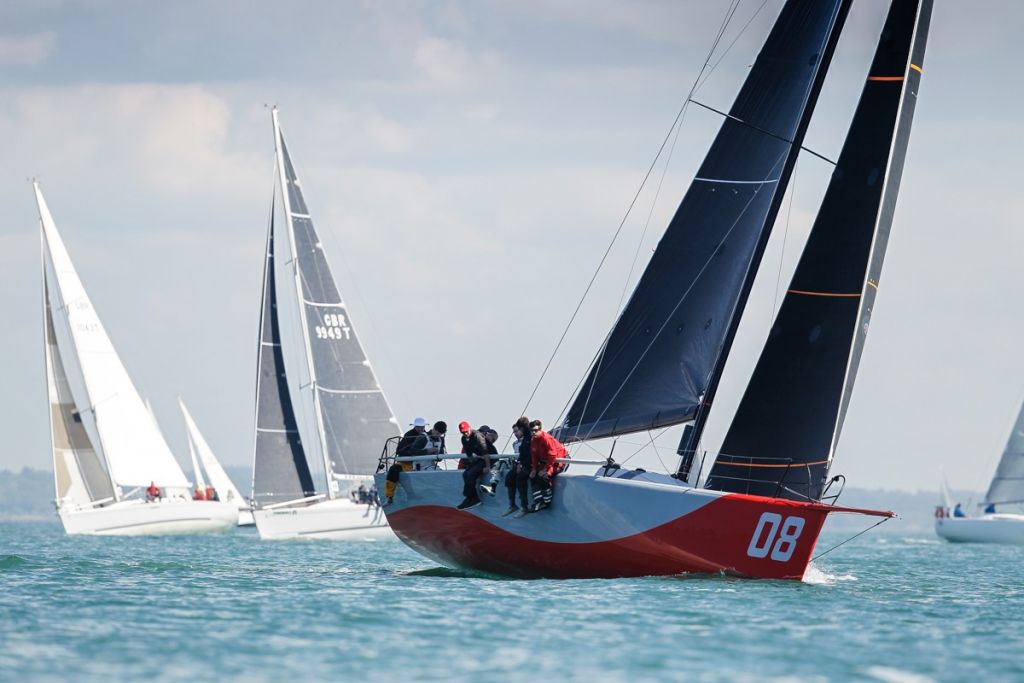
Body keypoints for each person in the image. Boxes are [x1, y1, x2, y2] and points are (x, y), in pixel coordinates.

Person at [384, 417, 440, 506]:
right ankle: (389, 497)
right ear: (415, 426)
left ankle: (425, 496)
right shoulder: (409, 435)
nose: (420, 429)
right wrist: (413, 453)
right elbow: (399, 451)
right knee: (393, 469)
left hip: (422, 464)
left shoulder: (427, 436)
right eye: (418, 427)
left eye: (422, 427)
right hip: (408, 463)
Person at [529, 420, 567, 512]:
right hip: (545, 461)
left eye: (535, 430)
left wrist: (546, 470)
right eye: (532, 431)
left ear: (540, 429)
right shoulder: (533, 440)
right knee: (533, 477)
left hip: (558, 460)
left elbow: (552, 456)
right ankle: (538, 501)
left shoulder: (546, 439)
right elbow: (534, 456)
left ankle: (546, 502)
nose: (533, 433)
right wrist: (534, 469)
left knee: (544, 476)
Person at [457, 421, 491, 510]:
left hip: (486, 458)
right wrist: (472, 464)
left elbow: (485, 452)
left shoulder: (477, 436)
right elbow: (469, 454)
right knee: (465, 474)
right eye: (463, 432)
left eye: (466, 431)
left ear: (469, 428)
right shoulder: (464, 439)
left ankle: (475, 498)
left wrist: (488, 466)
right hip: (478, 458)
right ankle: (469, 497)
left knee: (471, 474)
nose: (465, 433)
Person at [503, 417, 532, 518]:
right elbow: (522, 454)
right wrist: (519, 463)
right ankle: (512, 505)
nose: (516, 433)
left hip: (531, 464)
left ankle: (524, 507)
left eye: (518, 429)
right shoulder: (524, 438)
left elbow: (531, 454)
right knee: (509, 477)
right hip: (523, 463)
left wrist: (522, 464)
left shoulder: (531, 436)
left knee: (520, 479)